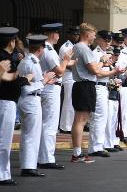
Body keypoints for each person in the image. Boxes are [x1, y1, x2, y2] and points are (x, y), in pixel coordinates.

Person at [70, 23, 123, 163]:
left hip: (82, 85)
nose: (94, 37)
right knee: (81, 121)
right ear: (87, 34)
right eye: (93, 34)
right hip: (85, 85)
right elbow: (94, 70)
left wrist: (103, 64)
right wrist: (103, 62)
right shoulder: (83, 48)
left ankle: (78, 152)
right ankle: (77, 153)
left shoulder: (78, 47)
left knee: (80, 120)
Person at [18, 34, 56, 176]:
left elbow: (33, 83)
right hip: (30, 100)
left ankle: (28, 164)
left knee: (29, 134)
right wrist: (45, 80)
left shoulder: (29, 61)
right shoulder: (31, 62)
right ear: (41, 49)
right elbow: (27, 87)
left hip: (30, 100)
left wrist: (45, 81)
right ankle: (28, 167)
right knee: (31, 135)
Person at [38, 23, 73, 170]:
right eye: (57, 33)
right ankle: (46, 159)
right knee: (50, 125)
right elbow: (59, 71)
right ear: (53, 34)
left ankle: (43, 156)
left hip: (49, 88)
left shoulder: (46, 48)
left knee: (46, 124)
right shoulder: (49, 49)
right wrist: (65, 60)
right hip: (50, 88)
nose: (59, 36)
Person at [0, 27, 30, 185]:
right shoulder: (4, 57)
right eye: (15, 40)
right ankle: (2, 175)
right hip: (5, 101)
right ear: (11, 41)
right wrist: (23, 78)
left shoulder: (10, 56)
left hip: (8, 100)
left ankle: (4, 173)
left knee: (4, 140)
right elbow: (6, 77)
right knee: (4, 141)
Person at [88, 30, 118, 157]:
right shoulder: (96, 54)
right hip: (98, 87)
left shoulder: (105, 54)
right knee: (99, 117)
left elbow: (106, 71)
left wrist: (113, 78)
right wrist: (113, 72)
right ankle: (95, 147)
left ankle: (98, 145)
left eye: (109, 40)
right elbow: (98, 73)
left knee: (102, 117)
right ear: (98, 40)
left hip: (105, 87)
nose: (108, 42)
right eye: (105, 40)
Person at [59, 26, 80, 134]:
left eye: (77, 34)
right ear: (69, 35)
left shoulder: (76, 46)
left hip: (75, 76)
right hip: (68, 76)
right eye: (74, 34)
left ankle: (71, 124)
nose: (76, 36)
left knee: (75, 101)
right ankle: (65, 126)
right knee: (69, 101)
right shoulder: (66, 47)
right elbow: (66, 64)